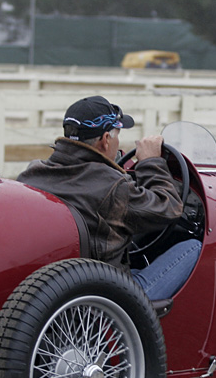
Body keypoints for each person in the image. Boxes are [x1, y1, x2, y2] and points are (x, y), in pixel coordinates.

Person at [16, 95, 201, 302]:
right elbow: (170, 208)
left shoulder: (33, 173)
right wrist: (151, 162)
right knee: (193, 247)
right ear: (105, 140)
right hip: (108, 295)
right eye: (117, 135)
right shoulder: (113, 186)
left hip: (54, 290)